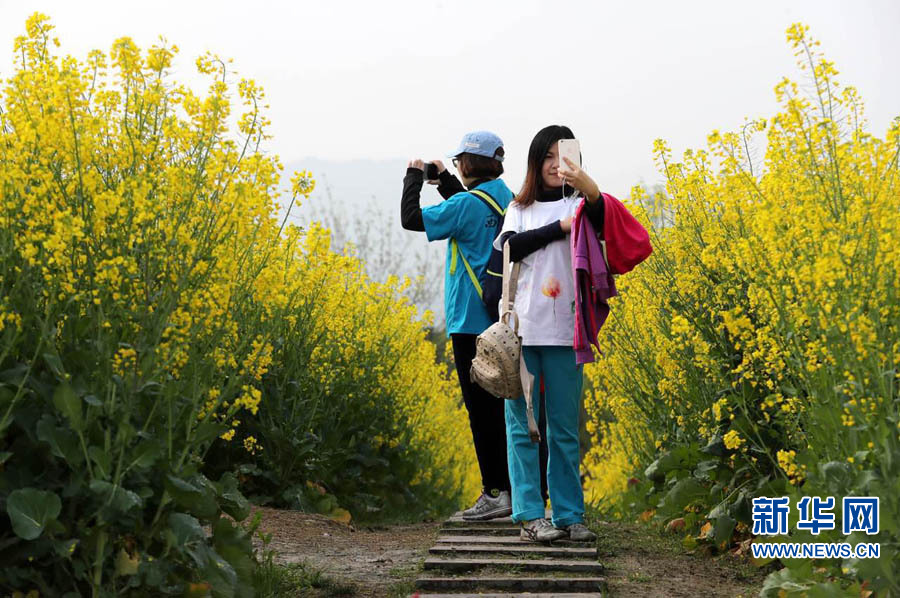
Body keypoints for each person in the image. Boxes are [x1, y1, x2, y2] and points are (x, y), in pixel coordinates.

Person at [496, 125, 604, 543]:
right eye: (549, 158)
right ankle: (528, 513)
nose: (557, 166)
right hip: (520, 333)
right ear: (535, 162)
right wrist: (558, 227)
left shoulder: (583, 203)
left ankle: (569, 514)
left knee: (562, 429)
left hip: (565, 333)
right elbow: (508, 247)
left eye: (566, 156)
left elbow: (600, 211)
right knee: (523, 427)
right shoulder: (519, 210)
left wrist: (584, 185)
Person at [400, 131, 515, 520]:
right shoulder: (509, 198)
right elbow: (472, 213)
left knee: (480, 411)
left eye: (457, 162)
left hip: (469, 323)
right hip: (504, 322)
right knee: (506, 408)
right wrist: (443, 182)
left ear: (467, 164)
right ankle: (517, 488)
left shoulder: (466, 204)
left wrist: (414, 175)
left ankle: (495, 492)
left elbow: (411, 219)